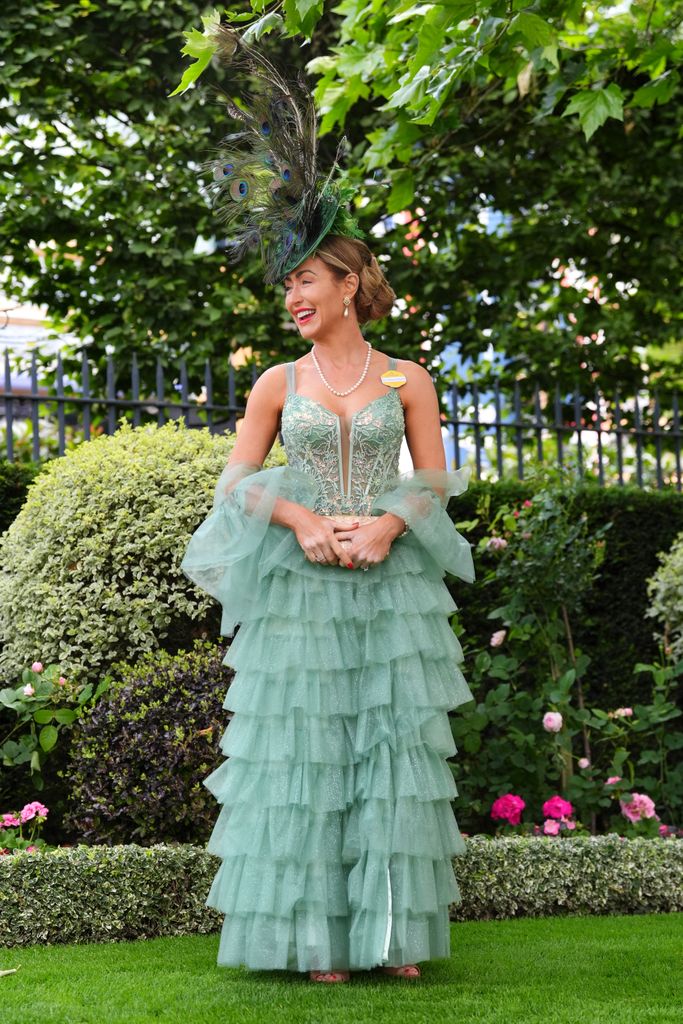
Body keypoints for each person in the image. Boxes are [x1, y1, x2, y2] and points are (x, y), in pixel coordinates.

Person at [178, 21, 476, 983]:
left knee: (389, 753)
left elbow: (434, 480)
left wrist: (387, 523)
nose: (293, 298)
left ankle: (390, 939)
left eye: (305, 281)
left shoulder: (409, 381)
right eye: (288, 287)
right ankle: (314, 943)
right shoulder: (275, 382)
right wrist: (305, 520)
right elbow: (234, 486)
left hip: (389, 591)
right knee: (306, 765)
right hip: (304, 592)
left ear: (349, 283)